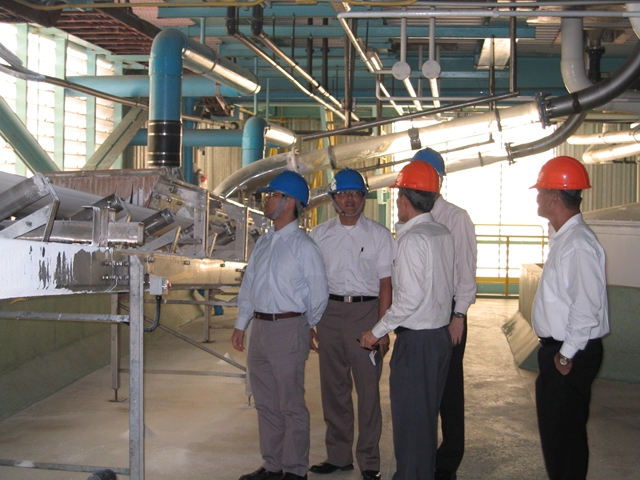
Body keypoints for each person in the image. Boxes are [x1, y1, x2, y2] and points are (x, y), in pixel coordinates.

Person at [231, 170, 329, 480]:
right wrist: (241, 323)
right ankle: (272, 465)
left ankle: (295, 470)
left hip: (288, 328)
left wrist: (305, 324)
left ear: (289, 202)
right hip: (260, 329)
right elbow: (249, 284)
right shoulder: (264, 243)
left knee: (291, 405)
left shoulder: (305, 247)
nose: (267, 199)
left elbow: (319, 295)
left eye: (272, 195)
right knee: (265, 402)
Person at [361, 160, 455, 480]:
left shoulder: (414, 239)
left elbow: (409, 299)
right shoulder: (441, 232)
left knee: (411, 421)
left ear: (404, 199)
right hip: (438, 338)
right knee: (424, 419)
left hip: (418, 343)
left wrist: (376, 331)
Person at [308, 168, 397, 480]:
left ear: (364, 198)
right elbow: (311, 282)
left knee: (368, 392)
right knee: (334, 389)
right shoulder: (319, 235)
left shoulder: (380, 235)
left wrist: (382, 329)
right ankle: (338, 456)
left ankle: (369, 461)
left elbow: (386, 285)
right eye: (343, 193)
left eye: (355, 193)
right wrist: (310, 323)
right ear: (333, 199)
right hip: (329, 314)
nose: (349, 198)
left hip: (366, 315)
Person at [530, 156, 610, 480]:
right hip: (562, 350)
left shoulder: (577, 245)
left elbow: (586, 307)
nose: (537, 197)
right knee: (559, 437)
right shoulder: (565, 238)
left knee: (565, 441)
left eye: (540, 191)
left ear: (554, 197)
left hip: (570, 354)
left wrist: (565, 356)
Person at [412, 148, 477, 480]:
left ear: (438, 181)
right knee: (422, 389)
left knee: (449, 389)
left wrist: (459, 316)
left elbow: (466, 271)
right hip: (419, 313)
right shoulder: (409, 216)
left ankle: (448, 460)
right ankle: (422, 455)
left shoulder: (456, 218)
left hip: (449, 312)